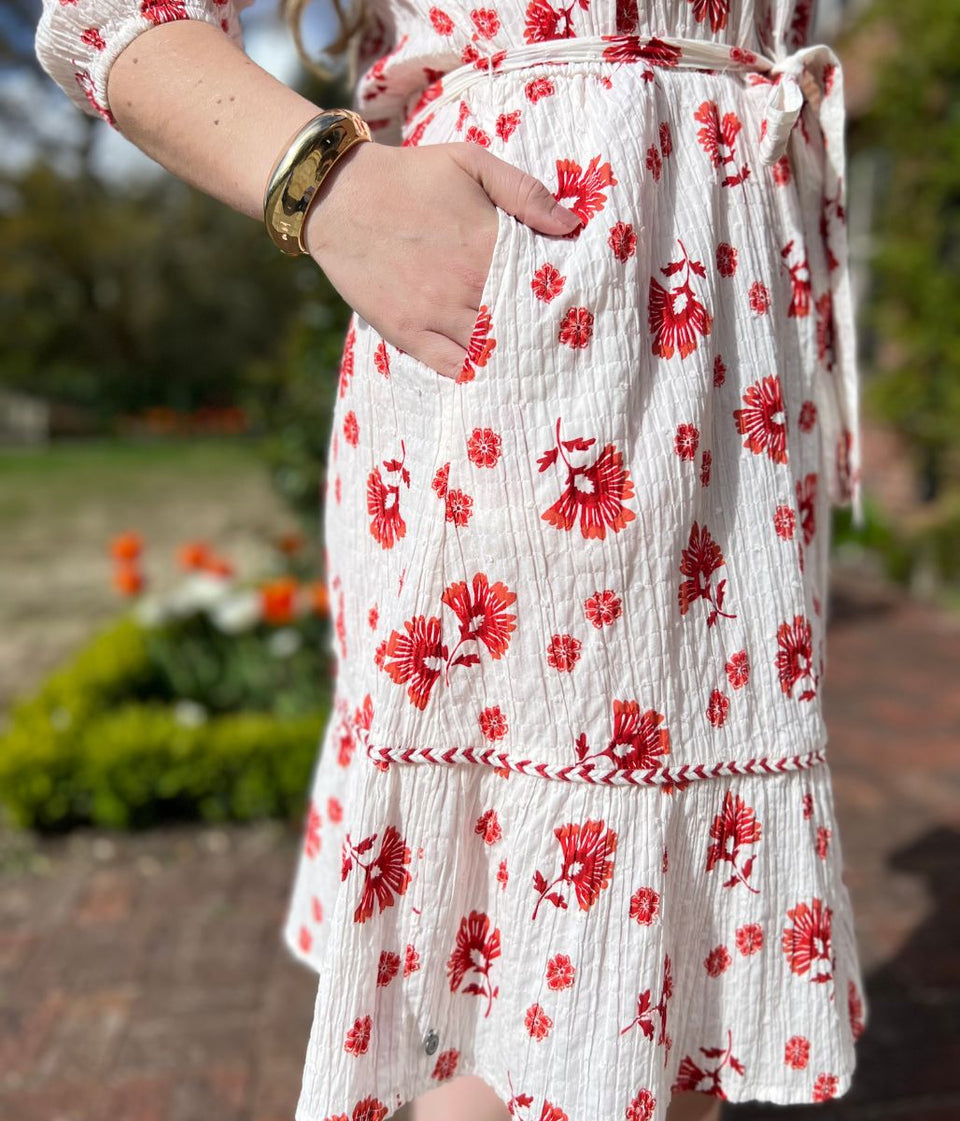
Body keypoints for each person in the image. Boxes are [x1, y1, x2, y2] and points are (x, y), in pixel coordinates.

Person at [35, 1, 869, 1119]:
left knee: (657, 1014)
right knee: (528, 1030)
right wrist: (324, 183)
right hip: (552, 302)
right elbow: (103, 17)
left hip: (741, 352)